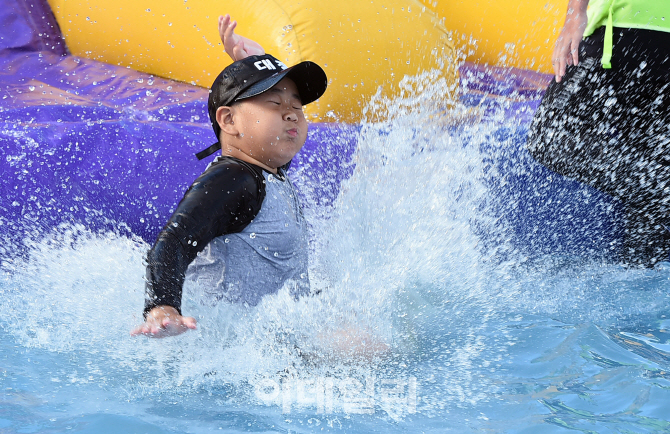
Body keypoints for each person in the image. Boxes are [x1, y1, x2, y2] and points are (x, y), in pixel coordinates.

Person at [131, 15, 328, 337]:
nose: (291, 112)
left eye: (297, 106)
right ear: (229, 121)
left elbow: (266, 134)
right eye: (274, 103)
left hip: (280, 329)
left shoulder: (266, 170)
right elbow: (173, 242)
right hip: (241, 345)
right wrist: (163, 307)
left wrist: (255, 62)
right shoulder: (233, 179)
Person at [526, 0, 670, 266]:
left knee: (549, 138)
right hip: (647, 32)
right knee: (650, 170)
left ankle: (658, 188)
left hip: (625, 27)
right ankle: (658, 192)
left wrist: (575, 12)